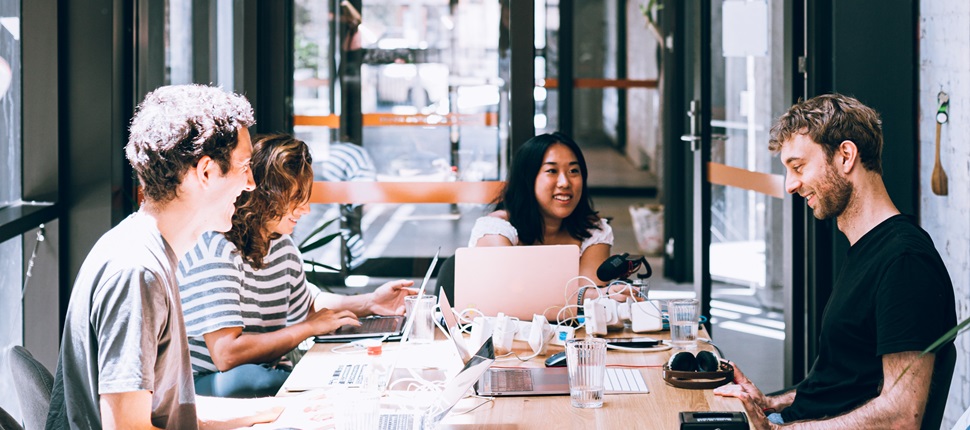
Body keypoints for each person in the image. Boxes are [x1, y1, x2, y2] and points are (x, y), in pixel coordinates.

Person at [46, 84, 285, 429]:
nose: (250, 183)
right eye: (244, 166)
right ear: (205, 172)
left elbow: (172, 415)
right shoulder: (137, 272)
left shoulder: (145, 249)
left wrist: (280, 410)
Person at [714, 94, 957, 429]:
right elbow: (842, 387)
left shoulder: (905, 262)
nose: (790, 185)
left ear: (845, 156)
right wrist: (768, 403)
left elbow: (902, 416)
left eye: (798, 167)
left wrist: (779, 429)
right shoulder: (868, 249)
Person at [178, 133, 415, 398]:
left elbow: (309, 303)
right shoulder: (216, 250)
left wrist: (370, 302)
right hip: (205, 384)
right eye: (296, 198)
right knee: (255, 380)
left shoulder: (281, 246)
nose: (305, 210)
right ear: (265, 196)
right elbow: (226, 355)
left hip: (262, 373)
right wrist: (307, 329)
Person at [468, 132, 637, 302]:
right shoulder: (496, 229)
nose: (564, 182)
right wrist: (590, 295)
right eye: (551, 171)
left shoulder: (593, 231)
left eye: (573, 171)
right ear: (528, 179)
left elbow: (590, 304)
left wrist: (595, 295)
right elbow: (510, 296)